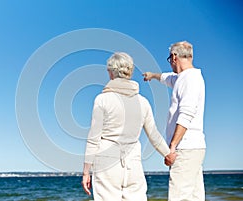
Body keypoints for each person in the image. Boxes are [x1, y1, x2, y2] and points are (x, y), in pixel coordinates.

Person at [81, 52, 176, 201]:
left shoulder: (102, 100)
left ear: (111, 72)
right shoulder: (143, 102)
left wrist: (86, 172)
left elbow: (93, 139)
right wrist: (168, 154)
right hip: (133, 164)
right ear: (129, 72)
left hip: (106, 164)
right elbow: (154, 135)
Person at [143, 41, 206, 201]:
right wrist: (152, 75)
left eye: (169, 59)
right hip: (193, 148)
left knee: (179, 196)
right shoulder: (182, 78)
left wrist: (172, 147)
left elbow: (186, 114)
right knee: (194, 197)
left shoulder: (189, 80)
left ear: (174, 57)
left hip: (184, 148)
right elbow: (167, 78)